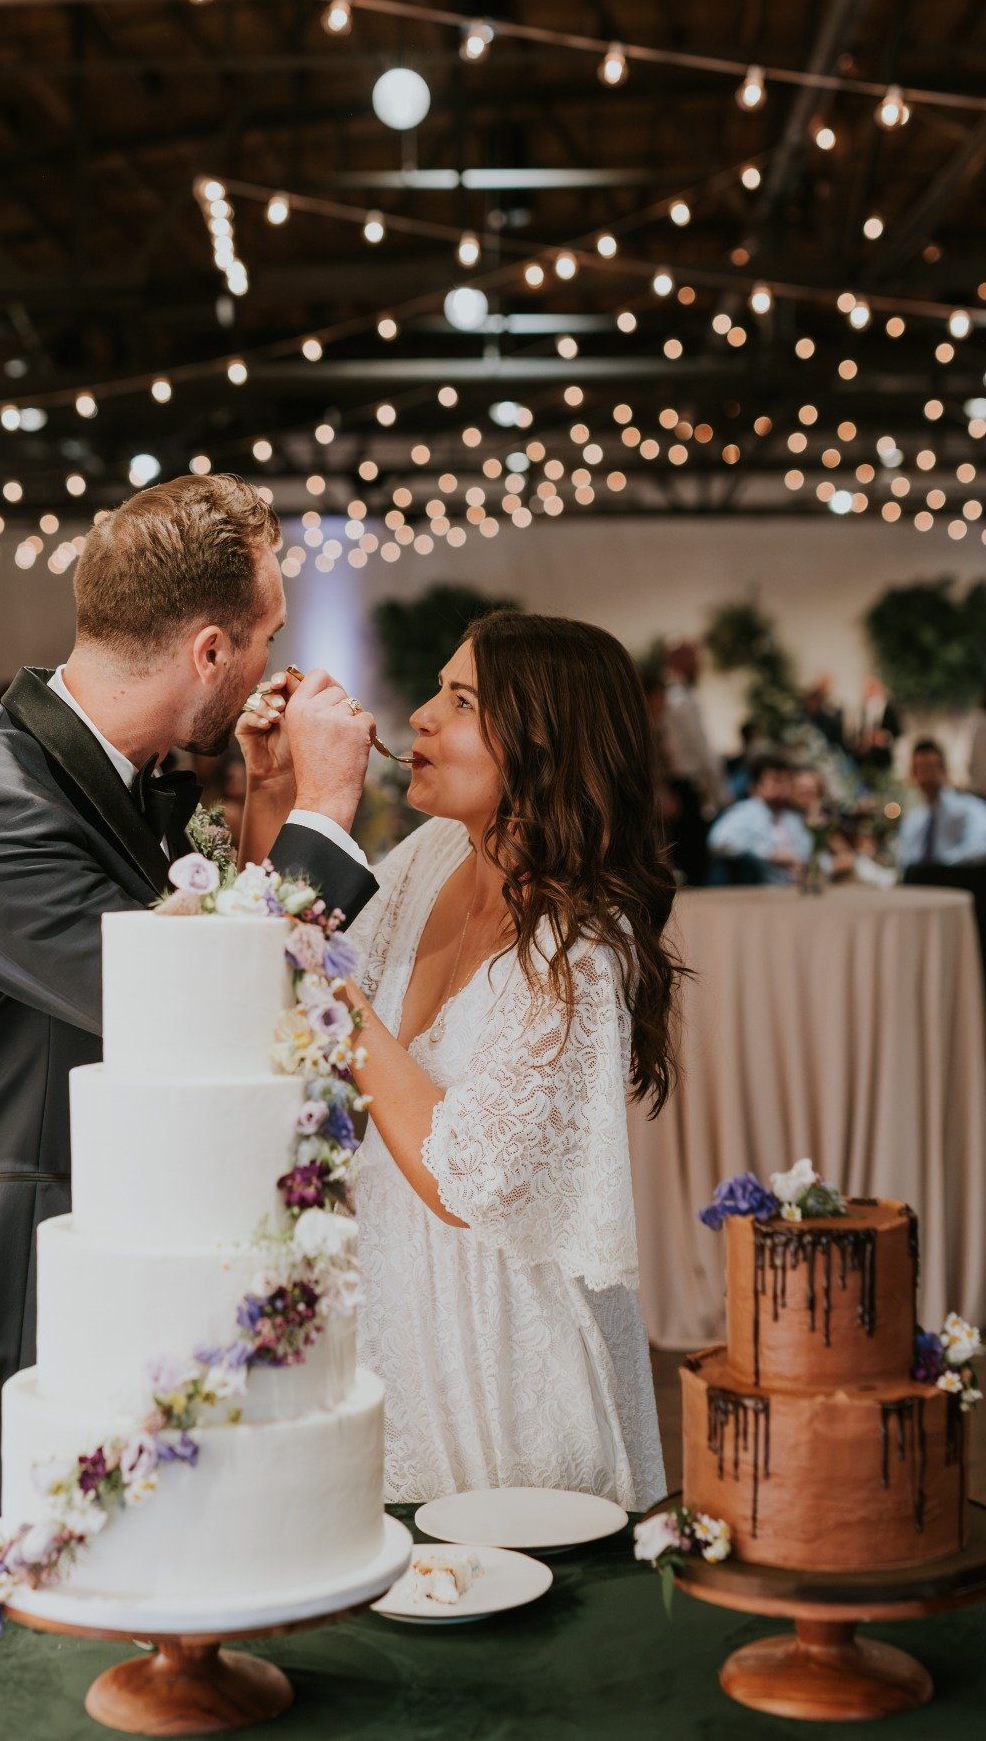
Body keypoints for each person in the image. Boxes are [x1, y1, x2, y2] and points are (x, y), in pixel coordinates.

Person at [0, 473, 380, 1552]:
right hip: (21, 1314)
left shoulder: (104, 771)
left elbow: (192, 945)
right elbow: (205, 1011)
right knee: (37, 1680)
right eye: (265, 638)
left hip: (132, 1292)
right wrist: (327, 813)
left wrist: (260, 807)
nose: (271, 665)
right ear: (211, 652)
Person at [340, 613, 674, 1508]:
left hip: (498, 1357)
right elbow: (298, 990)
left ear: (541, 740)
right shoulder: (431, 856)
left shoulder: (581, 951)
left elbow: (465, 1181)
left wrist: (321, 977)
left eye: (459, 701)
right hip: (391, 1323)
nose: (417, 716)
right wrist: (273, 792)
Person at [658, 640, 726, 885]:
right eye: (694, 658)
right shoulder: (678, 698)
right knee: (693, 859)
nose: (699, 664)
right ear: (681, 659)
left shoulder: (677, 695)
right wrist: (720, 792)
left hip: (680, 783)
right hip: (682, 785)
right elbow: (700, 748)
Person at [706, 756, 811, 885]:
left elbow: (808, 851)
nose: (782, 787)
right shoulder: (745, 812)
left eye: (786, 781)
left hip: (794, 888)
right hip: (756, 891)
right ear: (757, 786)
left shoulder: (793, 818)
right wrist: (769, 853)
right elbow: (719, 841)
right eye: (776, 781)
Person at [897, 739, 986, 869]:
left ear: (944, 770)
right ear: (913, 774)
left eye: (930, 768)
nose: (925, 776)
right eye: (919, 769)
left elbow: (981, 847)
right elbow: (904, 861)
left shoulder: (970, 809)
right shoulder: (913, 820)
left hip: (956, 882)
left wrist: (938, 866)